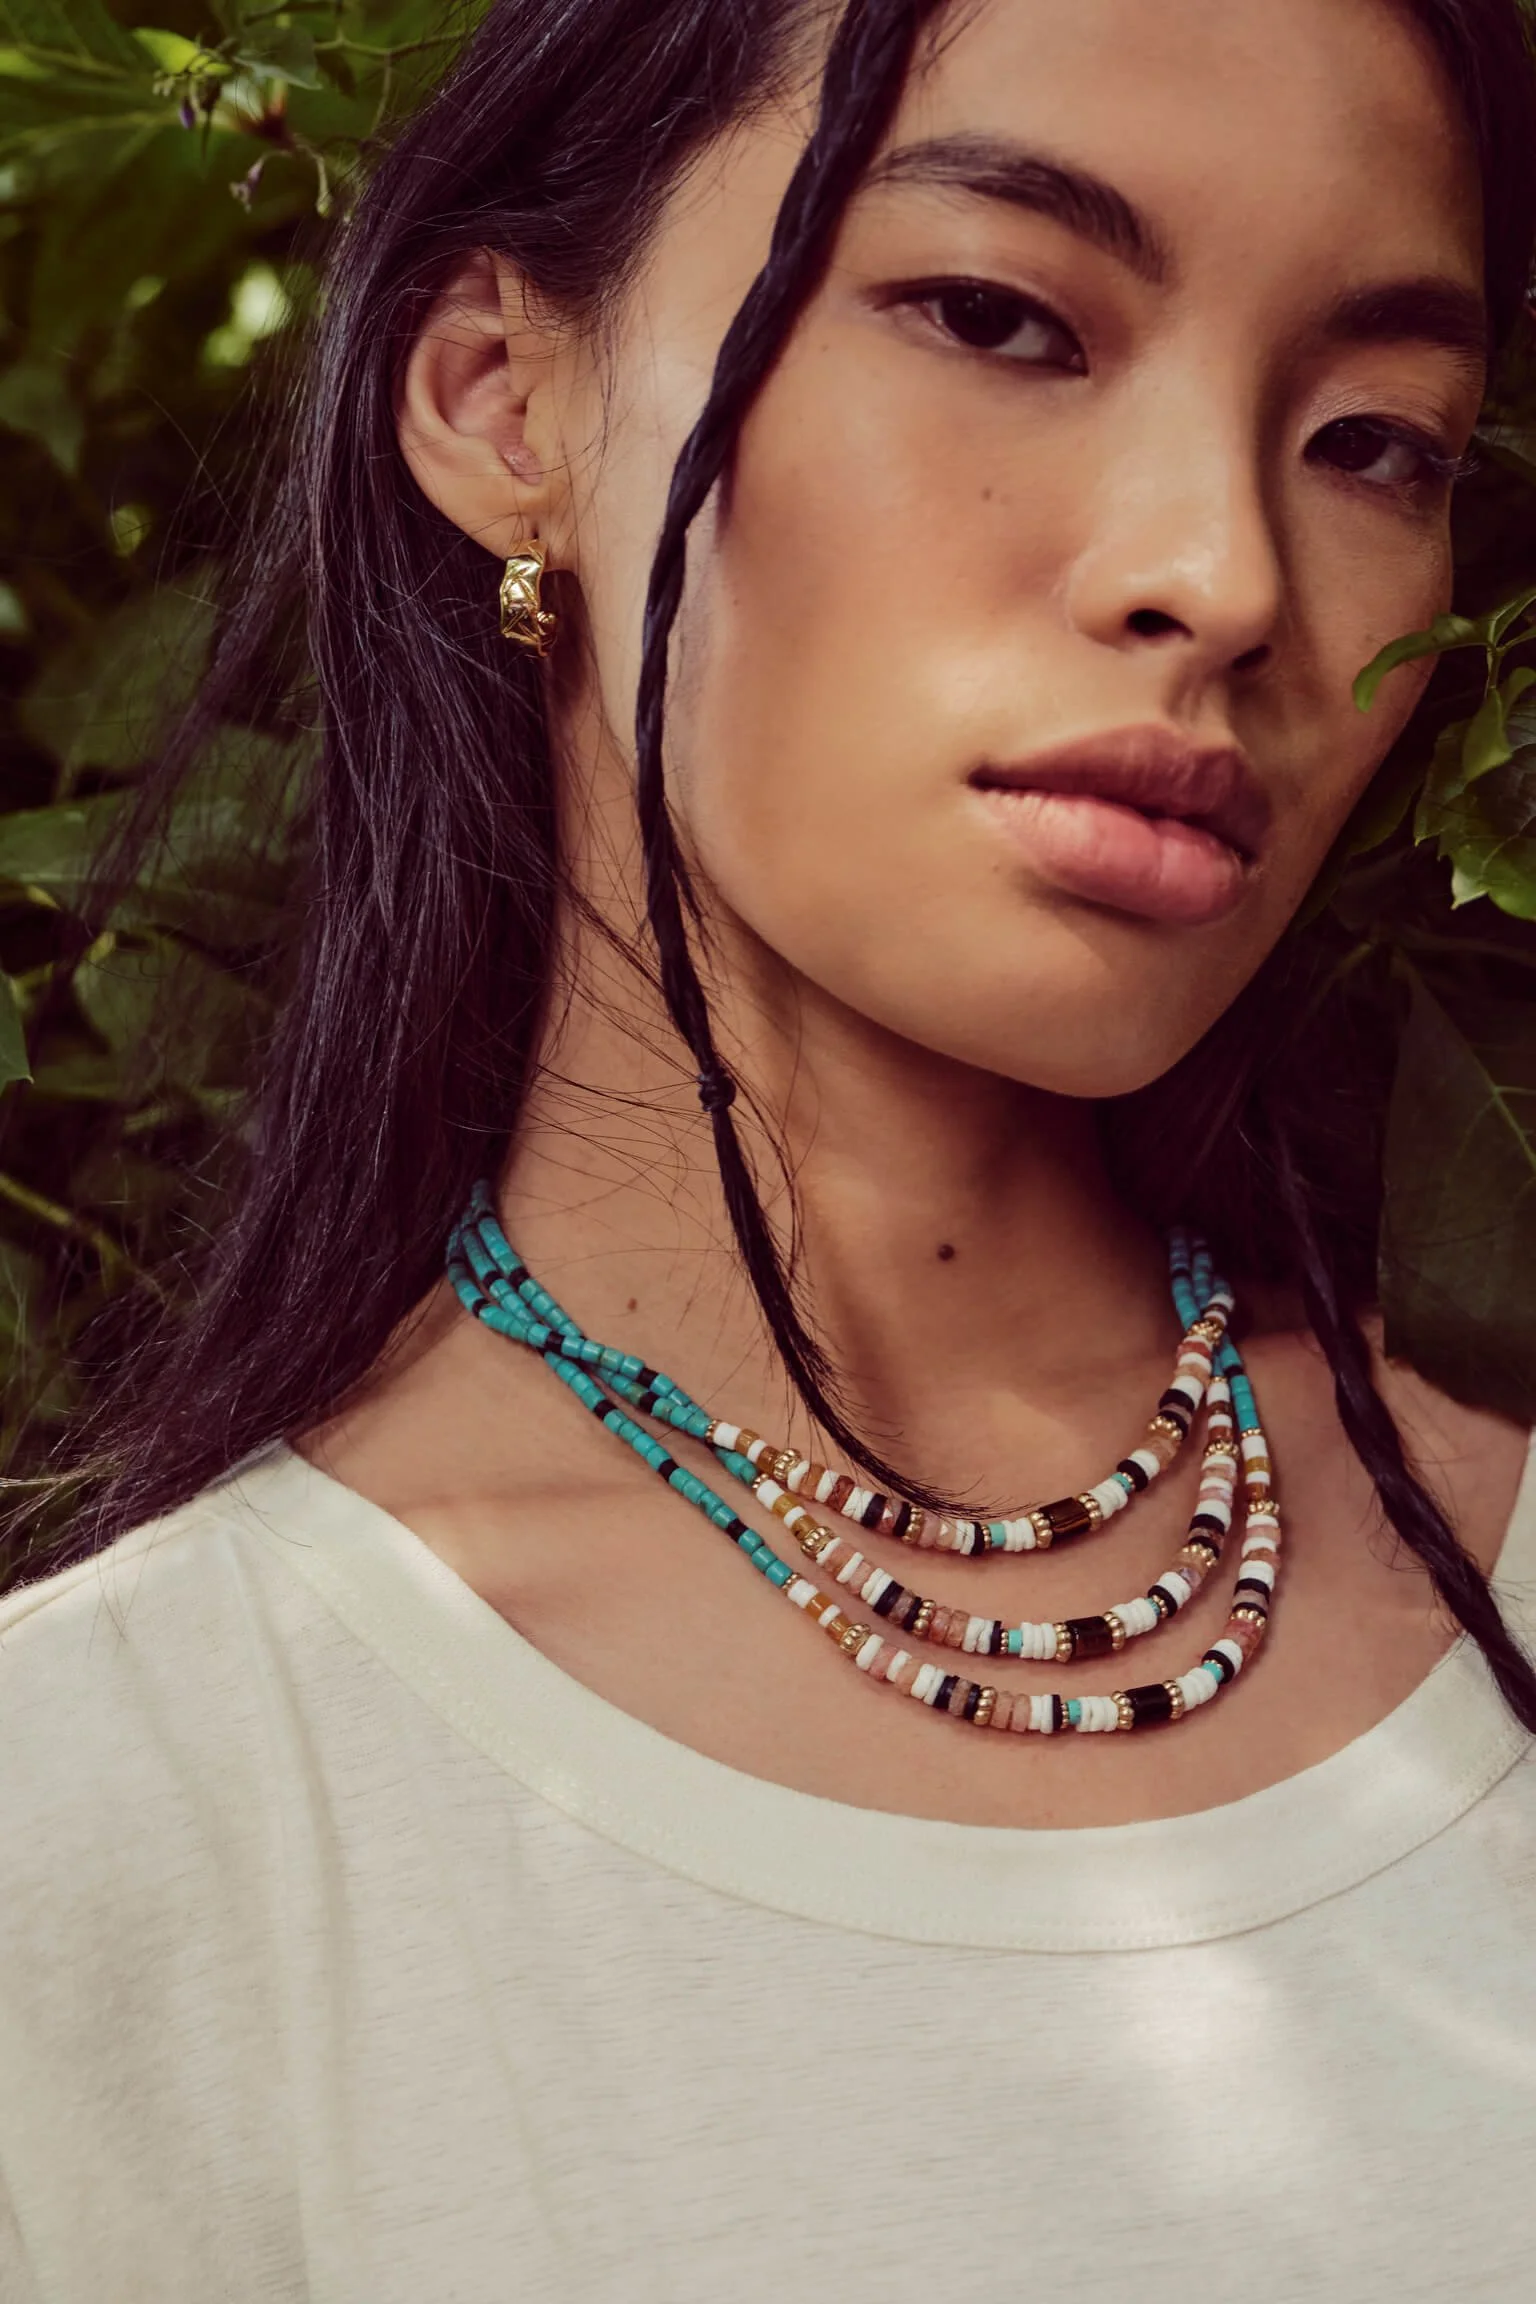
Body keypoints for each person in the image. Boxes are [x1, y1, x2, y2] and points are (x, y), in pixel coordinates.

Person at [4, 0, 1536, 2293]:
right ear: (504, 403)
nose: (1225, 575)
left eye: (1374, 442)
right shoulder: (116, 1832)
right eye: (1003, 316)